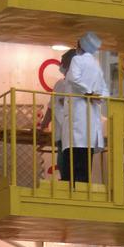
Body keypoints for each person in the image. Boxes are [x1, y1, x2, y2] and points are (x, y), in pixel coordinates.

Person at [63, 30, 109, 184]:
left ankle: (72, 188)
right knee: (85, 162)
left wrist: (88, 92)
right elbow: (104, 91)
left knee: (72, 161)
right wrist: (97, 97)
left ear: (79, 47)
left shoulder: (77, 60)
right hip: (91, 121)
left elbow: (74, 78)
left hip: (77, 116)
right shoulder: (97, 66)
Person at [41, 49, 75, 180]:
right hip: (79, 135)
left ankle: (68, 185)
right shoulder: (83, 86)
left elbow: (51, 108)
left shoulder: (62, 84)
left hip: (66, 133)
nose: (61, 66)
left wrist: (43, 125)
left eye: (63, 63)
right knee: (76, 171)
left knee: (65, 166)